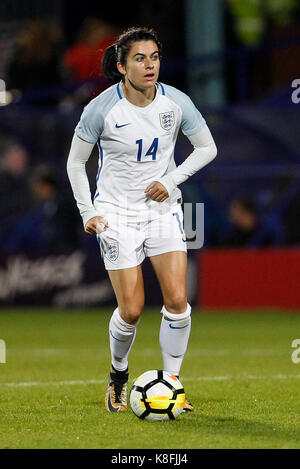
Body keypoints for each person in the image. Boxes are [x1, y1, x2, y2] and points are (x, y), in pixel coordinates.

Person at [67, 27, 217, 413]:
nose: (149, 65)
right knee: (132, 309)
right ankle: (118, 374)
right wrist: (89, 211)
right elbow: (75, 162)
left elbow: (207, 148)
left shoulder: (175, 101)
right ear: (121, 66)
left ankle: (173, 386)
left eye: (154, 57)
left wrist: (170, 180)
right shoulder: (101, 109)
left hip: (163, 211)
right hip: (116, 214)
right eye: (139, 58)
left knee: (178, 300)